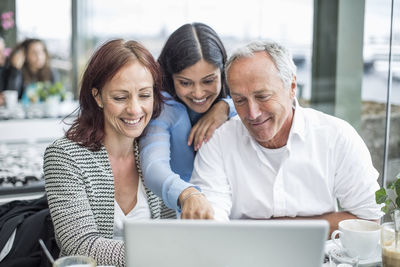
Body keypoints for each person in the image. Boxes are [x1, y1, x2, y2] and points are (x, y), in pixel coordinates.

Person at [189, 40, 383, 234]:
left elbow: (369, 219)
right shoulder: (218, 143)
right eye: (239, 100)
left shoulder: (336, 137)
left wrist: (278, 227)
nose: (253, 113)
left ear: (291, 87)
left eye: (263, 96)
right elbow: (211, 226)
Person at [44, 39, 173, 267]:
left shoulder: (157, 153)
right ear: (97, 97)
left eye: (144, 95)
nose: (134, 109)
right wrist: (158, 253)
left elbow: (174, 230)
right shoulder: (65, 156)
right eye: (120, 97)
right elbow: (80, 245)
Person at [139, 22, 236, 218]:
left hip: (233, 211)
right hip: (184, 214)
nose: (199, 93)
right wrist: (188, 194)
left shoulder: (231, 102)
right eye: (185, 83)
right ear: (170, 76)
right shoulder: (163, 109)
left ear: (223, 72)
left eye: (209, 80)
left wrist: (226, 107)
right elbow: (153, 167)